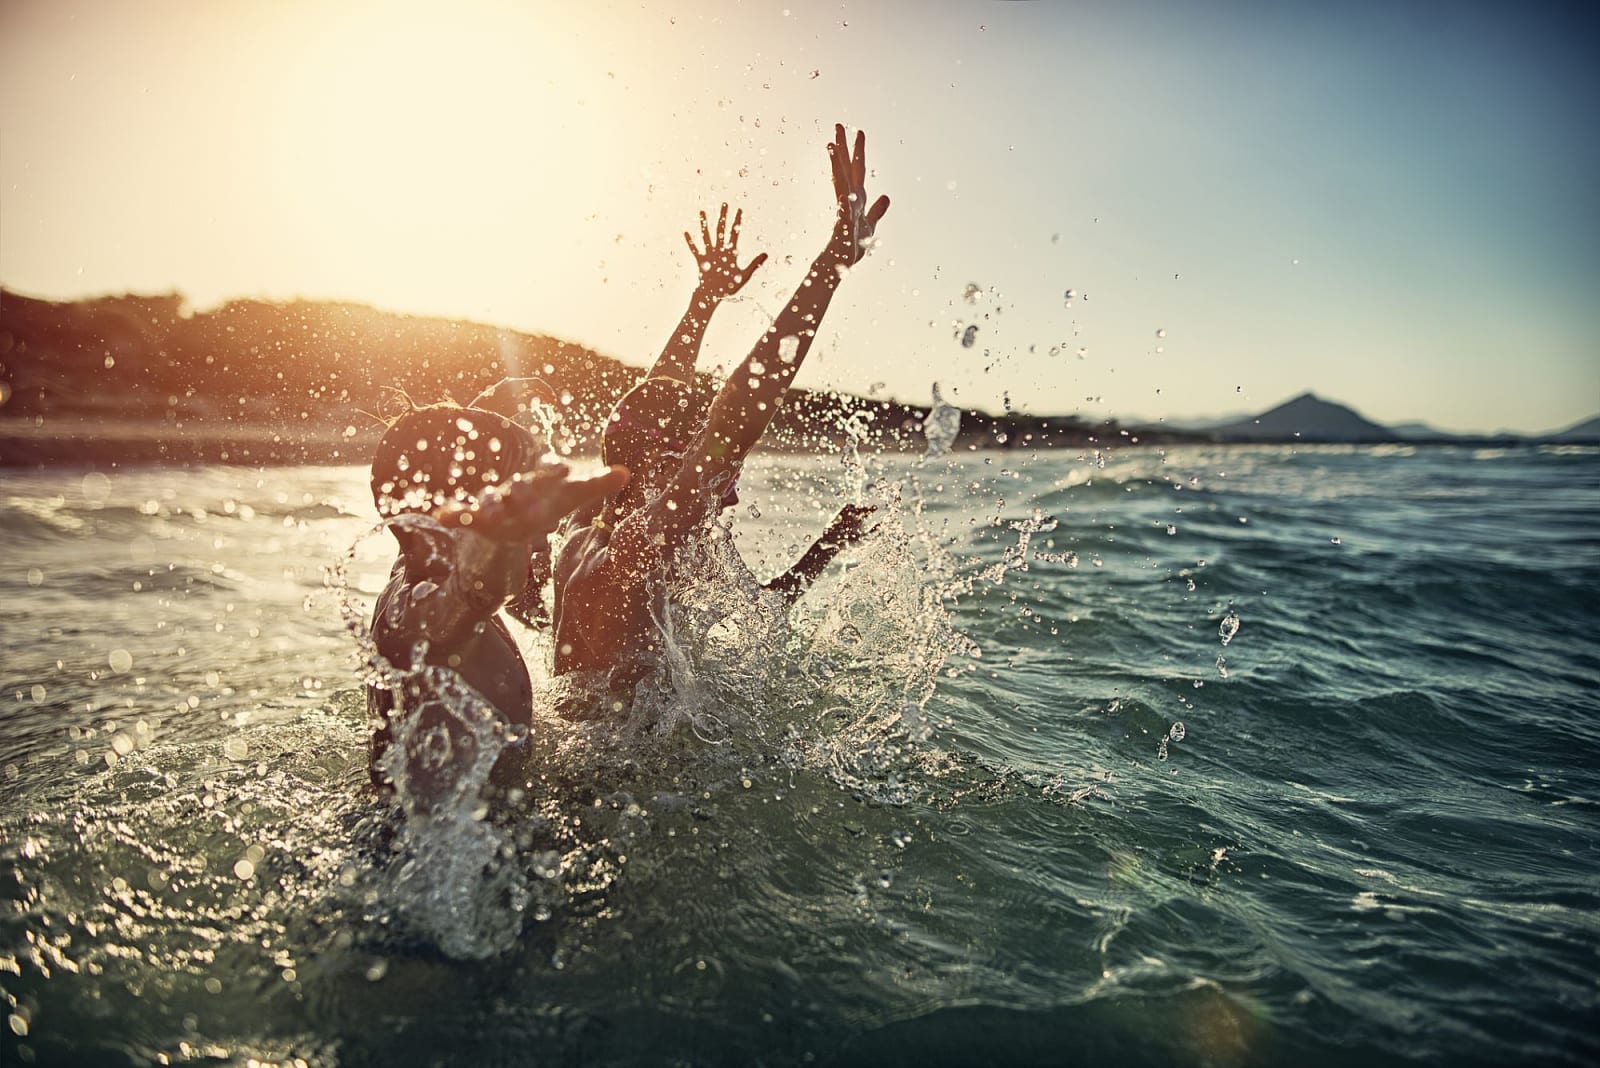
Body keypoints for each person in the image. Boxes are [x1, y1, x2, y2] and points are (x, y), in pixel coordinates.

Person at [552, 123, 889, 691]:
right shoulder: (634, 551)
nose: (729, 491)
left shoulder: (595, 523)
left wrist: (704, 301)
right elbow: (734, 418)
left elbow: (650, 407)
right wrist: (831, 263)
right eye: (720, 470)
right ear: (666, 466)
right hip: (615, 779)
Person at [365, 401, 627, 797]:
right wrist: (503, 540)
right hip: (451, 852)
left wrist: (484, 412)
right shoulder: (414, 614)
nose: (552, 524)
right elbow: (469, 598)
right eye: (515, 497)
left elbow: (428, 507)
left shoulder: (412, 564)